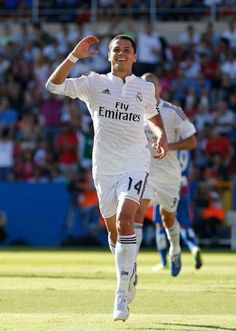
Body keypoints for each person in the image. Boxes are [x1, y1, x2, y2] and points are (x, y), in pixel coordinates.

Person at [45, 35, 168, 322]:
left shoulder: (145, 88)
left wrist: (161, 135)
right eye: (116, 50)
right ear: (109, 55)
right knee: (114, 232)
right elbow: (53, 85)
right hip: (105, 168)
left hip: (136, 163)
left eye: (127, 50)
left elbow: (154, 115)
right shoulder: (93, 82)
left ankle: (121, 293)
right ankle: (129, 270)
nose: (121, 54)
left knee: (127, 219)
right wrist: (74, 55)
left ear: (135, 57)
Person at [134, 72, 197, 278]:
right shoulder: (134, 111)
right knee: (138, 211)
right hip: (145, 171)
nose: (150, 88)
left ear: (160, 88)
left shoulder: (172, 111)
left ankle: (176, 250)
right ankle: (130, 262)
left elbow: (192, 141)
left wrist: (170, 146)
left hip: (169, 174)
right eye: (145, 85)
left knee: (167, 217)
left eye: (153, 85)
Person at [152, 149, 203, 272]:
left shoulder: (168, 140)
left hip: (166, 184)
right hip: (184, 184)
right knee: (185, 223)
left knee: (160, 224)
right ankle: (193, 247)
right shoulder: (185, 141)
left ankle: (164, 261)